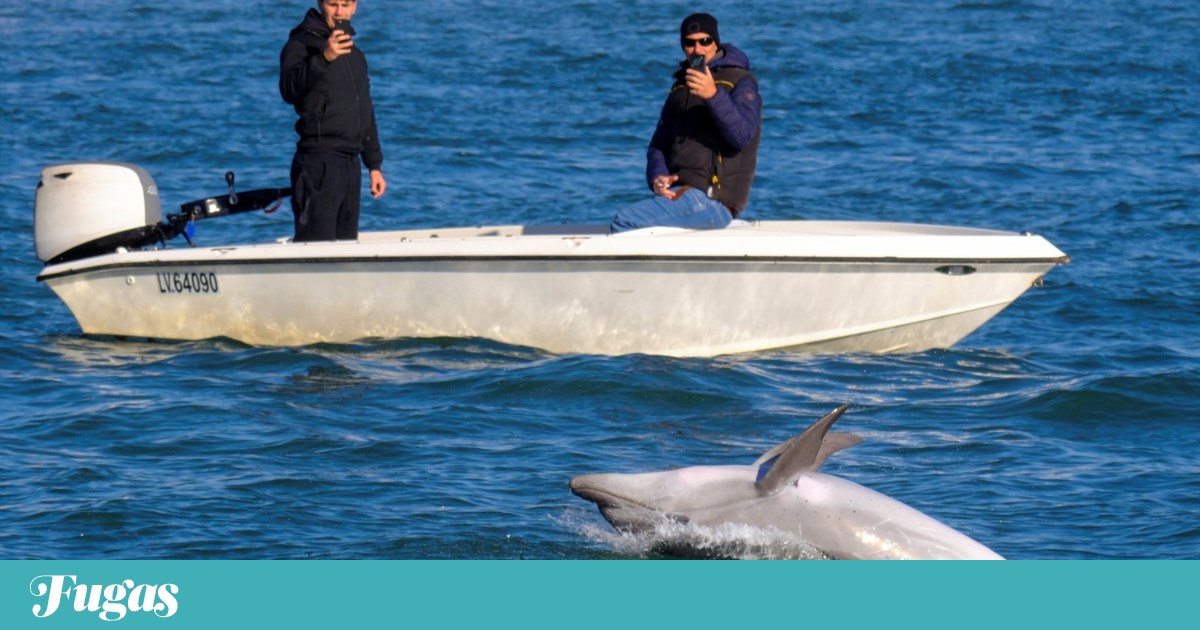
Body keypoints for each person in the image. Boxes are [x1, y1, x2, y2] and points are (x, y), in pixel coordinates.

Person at [609, 13, 762, 233]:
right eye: (690, 43)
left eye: (705, 41)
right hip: (681, 193)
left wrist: (713, 95)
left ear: (716, 43)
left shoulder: (740, 81)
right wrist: (658, 176)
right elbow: (658, 144)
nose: (697, 49)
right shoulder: (680, 87)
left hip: (714, 200)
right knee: (632, 224)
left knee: (625, 221)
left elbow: (743, 135)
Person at [280, 0, 387, 242]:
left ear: (355, 7)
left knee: (346, 248)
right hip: (318, 163)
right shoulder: (300, 44)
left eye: (346, 4)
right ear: (320, 4)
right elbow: (288, 90)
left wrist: (374, 165)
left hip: (350, 166)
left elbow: (365, 110)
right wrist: (324, 58)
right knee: (316, 248)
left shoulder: (355, 55)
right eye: (333, 4)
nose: (340, 12)